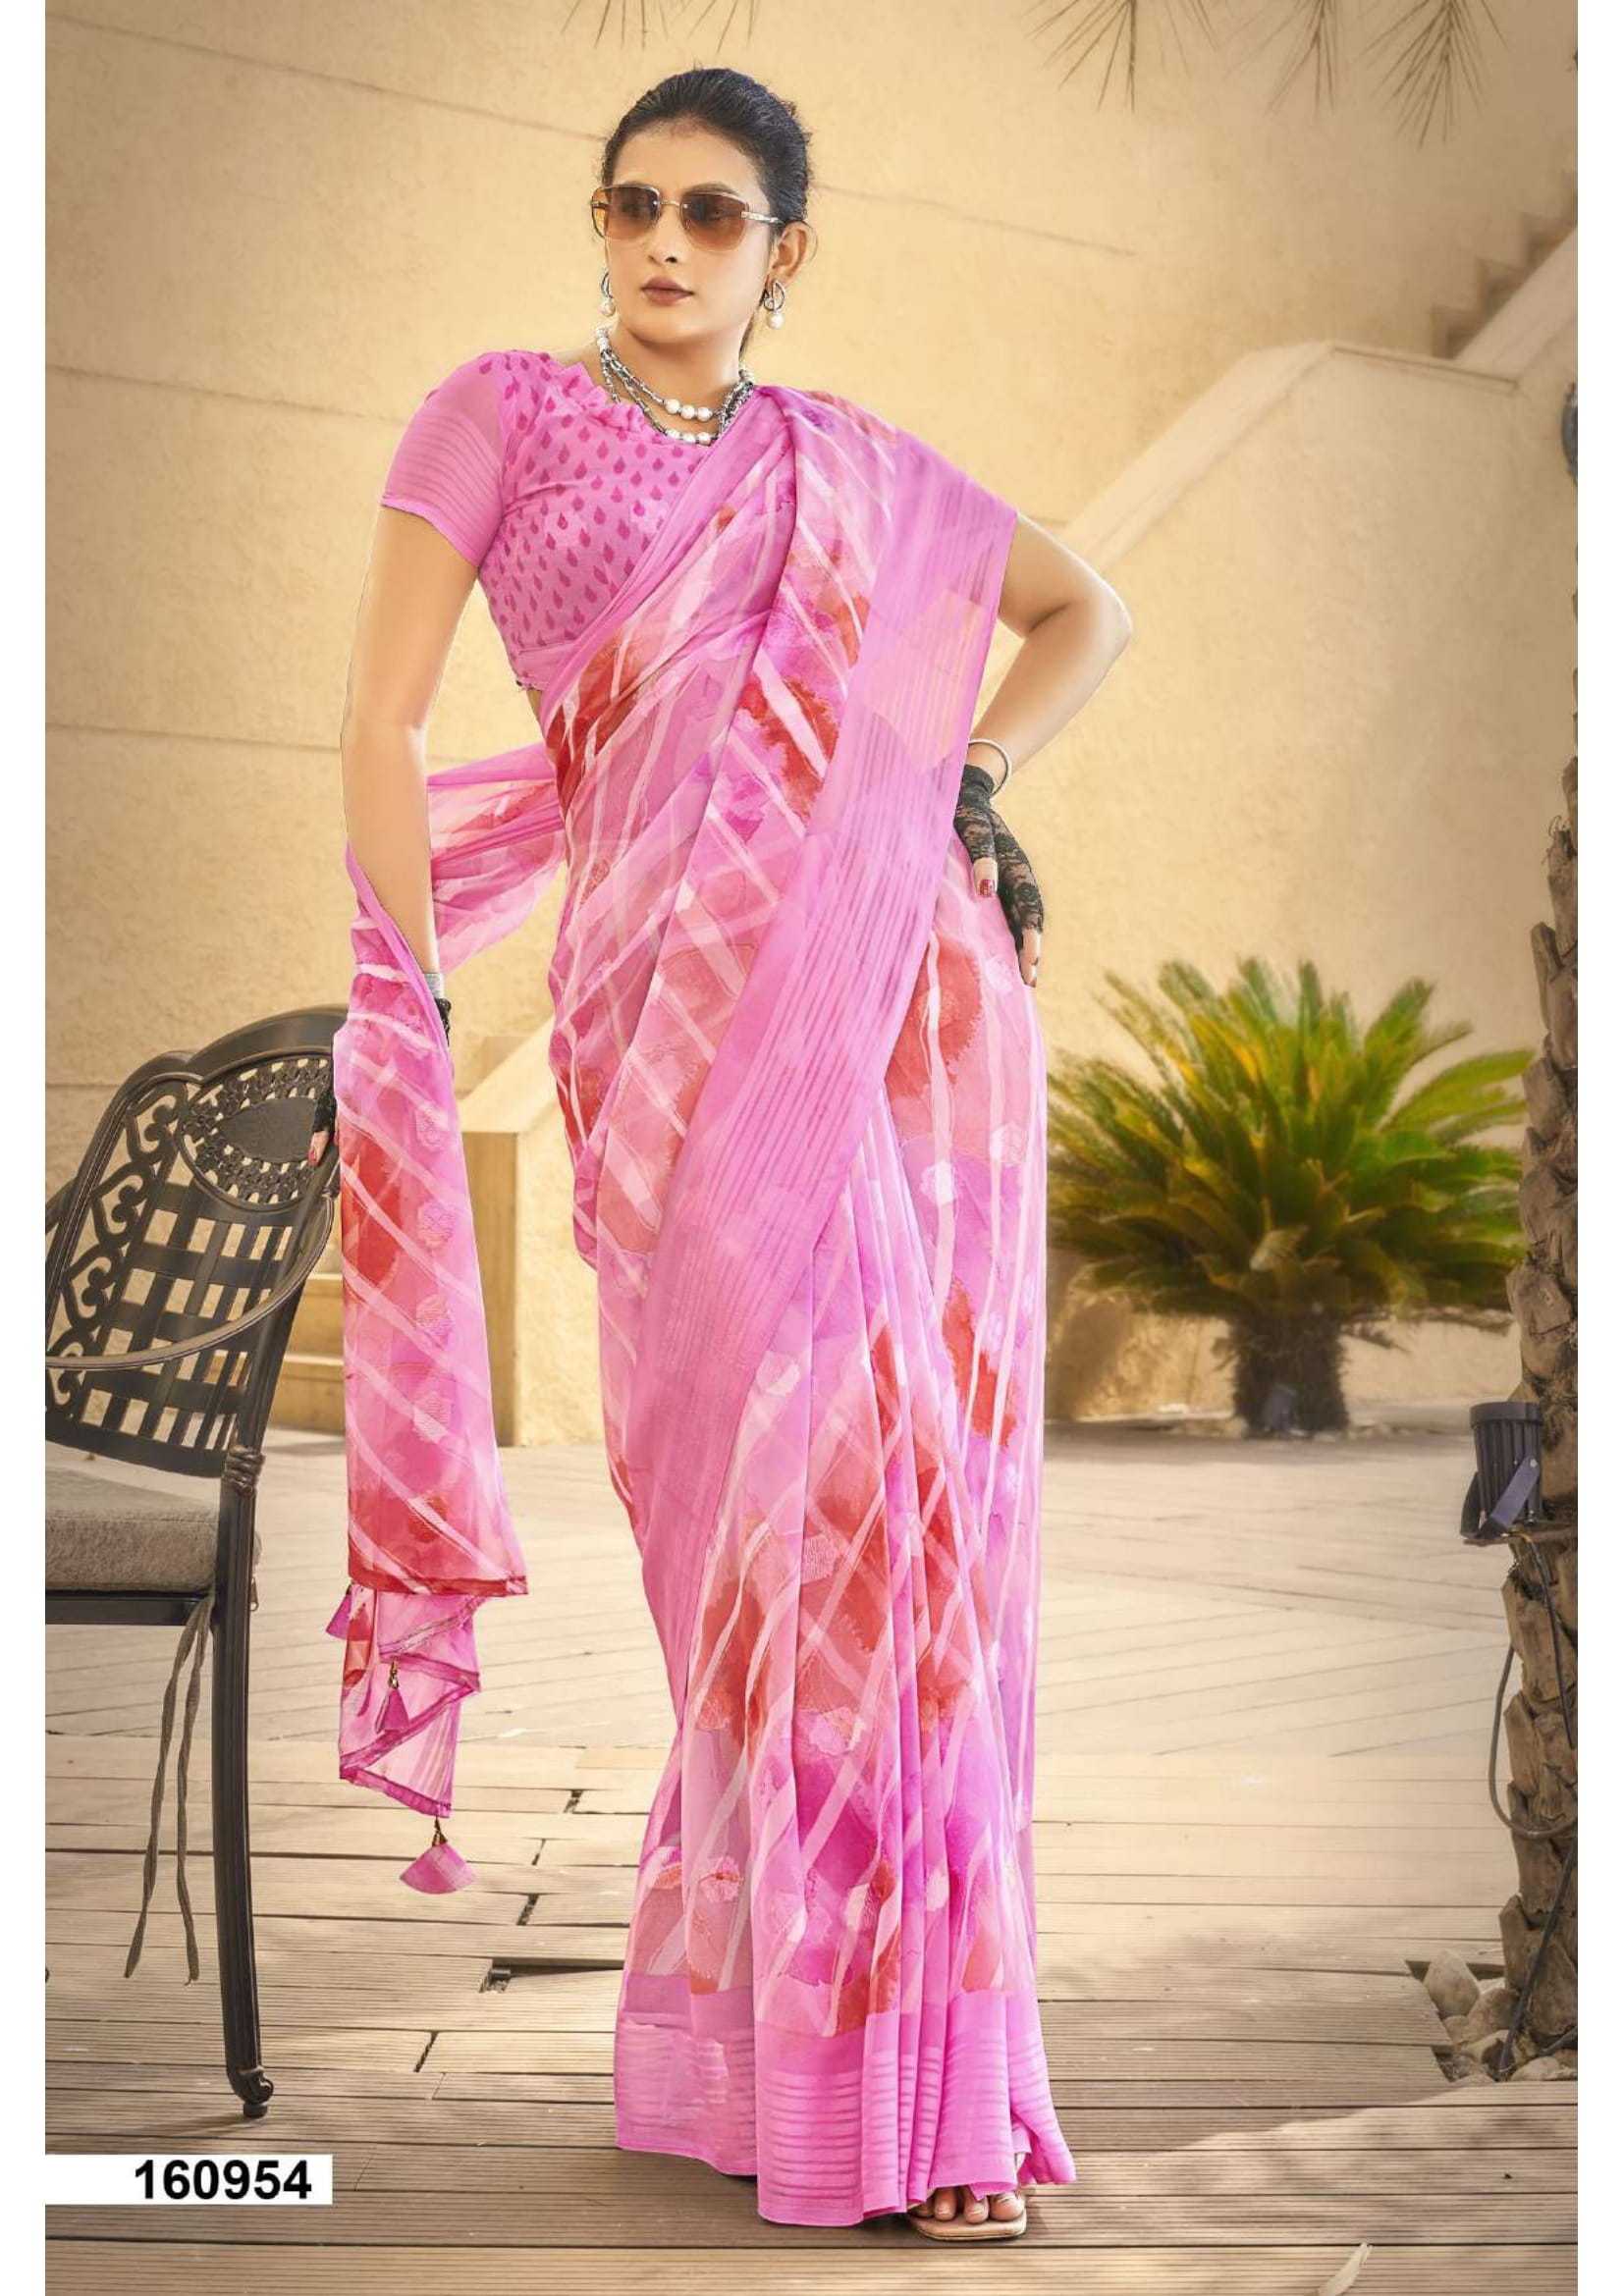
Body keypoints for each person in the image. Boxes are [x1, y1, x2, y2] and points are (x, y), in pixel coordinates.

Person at [311, 64, 1131, 2242]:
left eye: (710, 213)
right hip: (659, 1030)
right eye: (631, 206)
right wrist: (404, 988)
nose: (663, 244)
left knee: (896, 1532)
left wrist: (964, 782)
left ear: (785, 250)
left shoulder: (847, 464)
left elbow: (1088, 614)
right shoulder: (492, 412)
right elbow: (381, 718)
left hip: (904, 1011)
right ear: (598, 225)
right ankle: (785, 2054)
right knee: (769, 1544)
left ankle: (906, 2091)